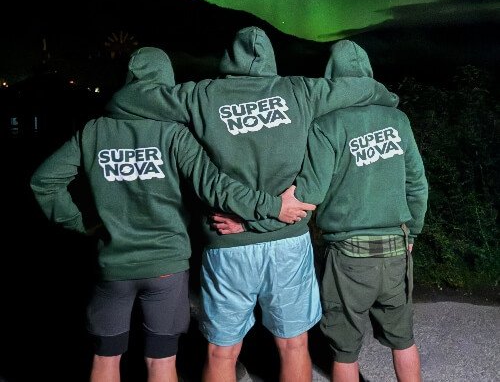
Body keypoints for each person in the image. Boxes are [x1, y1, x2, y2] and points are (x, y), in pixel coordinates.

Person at [105, 27, 399, 382]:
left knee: (221, 351)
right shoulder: (299, 90)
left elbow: (131, 99)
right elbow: (358, 87)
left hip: (228, 242)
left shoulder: (201, 95)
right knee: (294, 344)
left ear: (229, 58)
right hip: (288, 240)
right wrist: (386, 96)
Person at [30, 47, 314, 382]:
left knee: (105, 359)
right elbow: (214, 186)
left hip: (113, 265)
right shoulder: (175, 134)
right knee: (162, 362)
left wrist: (82, 223)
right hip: (167, 265)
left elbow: (44, 182)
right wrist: (272, 207)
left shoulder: (93, 131)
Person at [294, 40, 428, 382]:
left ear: (331, 77)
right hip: (396, 249)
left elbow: (311, 193)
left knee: (344, 350)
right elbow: (417, 184)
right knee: (404, 339)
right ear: (369, 73)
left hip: (349, 256)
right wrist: (412, 232)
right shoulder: (398, 120)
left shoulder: (326, 125)